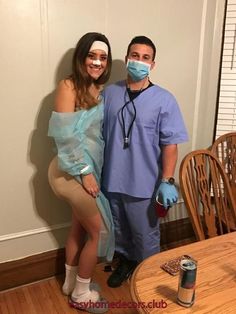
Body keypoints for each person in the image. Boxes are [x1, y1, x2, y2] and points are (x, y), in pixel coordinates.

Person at [102, 35, 188, 288]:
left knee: (145, 234)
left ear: (153, 64)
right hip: (112, 180)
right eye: (135, 56)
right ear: (127, 58)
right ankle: (126, 263)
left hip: (144, 182)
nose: (139, 61)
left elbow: (170, 144)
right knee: (119, 230)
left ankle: (148, 277)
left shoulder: (164, 99)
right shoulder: (110, 94)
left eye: (145, 57)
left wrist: (167, 180)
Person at [48, 32, 114, 313]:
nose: (97, 62)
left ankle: (70, 283)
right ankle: (82, 293)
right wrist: (86, 173)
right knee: (100, 233)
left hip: (87, 170)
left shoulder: (99, 90)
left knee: (78, 226)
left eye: (103, 57)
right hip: (70, 171)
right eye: (92, 55)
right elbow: (65, 139)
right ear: (82, 56)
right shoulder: (68, 86)